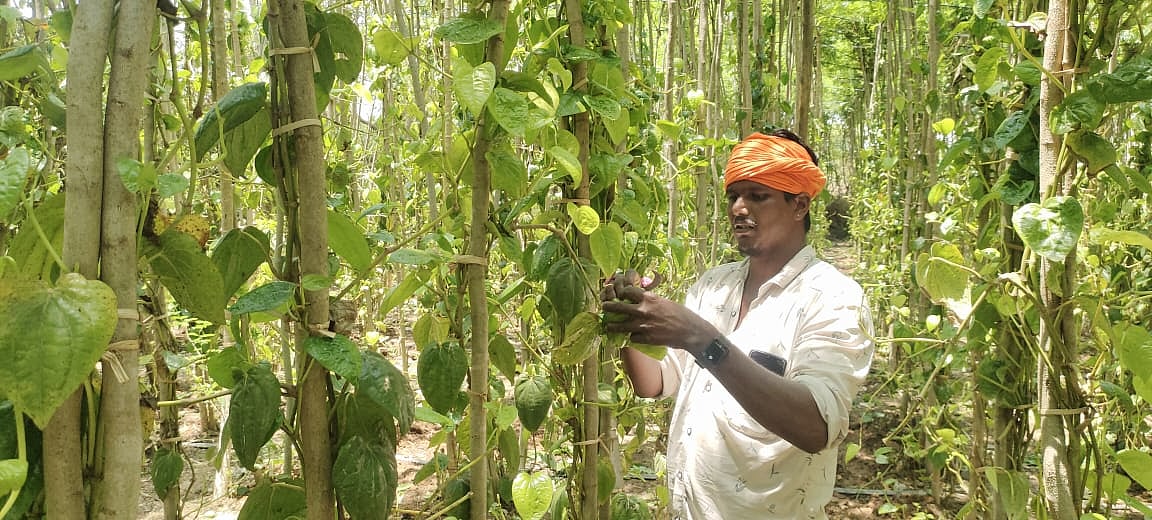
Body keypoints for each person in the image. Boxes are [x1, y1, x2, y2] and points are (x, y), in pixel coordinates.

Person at [601, 129, 874, 519]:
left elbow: (817, 426)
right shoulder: (713, 285)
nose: (738, 208)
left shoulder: (833, 297)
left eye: (758, 196)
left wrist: (701, 339)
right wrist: (629, 321)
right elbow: (655, 383)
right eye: (733, 196)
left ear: (799, 205)